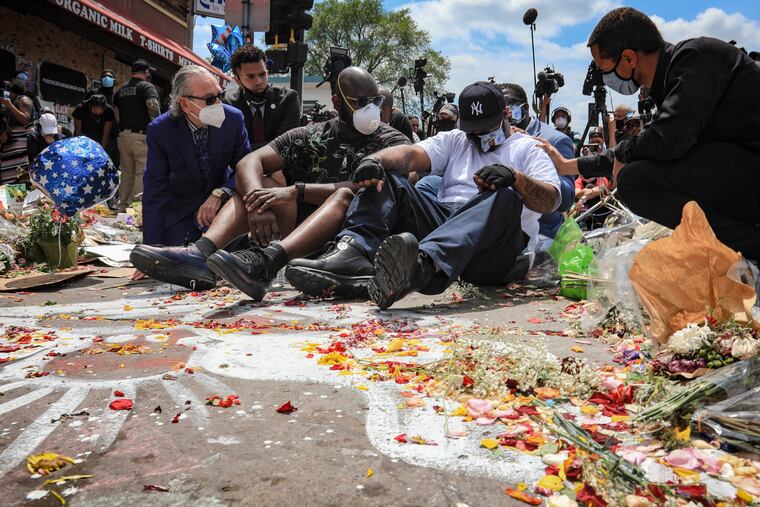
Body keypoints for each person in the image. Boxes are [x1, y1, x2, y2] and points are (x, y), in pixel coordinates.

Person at [130, 67, 409, 299]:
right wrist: (256, 200)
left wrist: (296, 191)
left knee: (337, 196)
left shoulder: (392, 141)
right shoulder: (311, 135)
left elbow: (383, 187)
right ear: (337, 102)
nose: (371, 109)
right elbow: (249, 162)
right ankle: (201, 254)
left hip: (351, 240)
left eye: (376, 102)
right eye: (361, 102)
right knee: (260, 185)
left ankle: (266, 262)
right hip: (299, 231)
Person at [285, 81, 561, 309]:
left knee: (504, 196)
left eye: (485, 127)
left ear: (505, 114)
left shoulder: (528, 148)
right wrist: (376, 161)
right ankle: (353, 253)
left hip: (492, 250)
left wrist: (516, 178)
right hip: (448, 224)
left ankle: (419, 268)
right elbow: (411, 155)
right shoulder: (455, 140)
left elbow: (550, 201)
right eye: (472, 128)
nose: (477, 134)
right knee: (389, 179)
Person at [541, 7, 760, 262]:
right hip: (741, 174)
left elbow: (667, 141)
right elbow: (648, 144)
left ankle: (750, 246)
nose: (604, 78)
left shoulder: (695, 58)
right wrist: (568, 166)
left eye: (604, 68)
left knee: (634, 180)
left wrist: (624, 152)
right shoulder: (670, 81)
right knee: (638, 168)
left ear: (629, 59)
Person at [128, 65, 250, 254]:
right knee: (178, 260)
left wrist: (221, 193)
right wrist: (151, 250)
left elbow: (245, 168)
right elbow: (155, 188)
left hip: (223, 208)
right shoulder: (161, 131)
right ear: (184, 104)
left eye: (220, 95)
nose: (218, 104)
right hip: (182, 212)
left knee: (222, 257)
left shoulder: (233, 120)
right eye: (210, 99)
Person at [502, 83, 575, 240]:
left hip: (542, 235)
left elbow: (567, 199)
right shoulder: (497, 137)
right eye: (501, 107)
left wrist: (539, 161)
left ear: (525, 108)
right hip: (503, 231)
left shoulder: (556, 139)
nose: (506, 111)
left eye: (510, 105)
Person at [223, 45, 300, 150]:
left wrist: (243, 149)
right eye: (250, 76)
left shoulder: (288, 98)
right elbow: (229, 145)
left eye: (262, 74)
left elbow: (286, 143)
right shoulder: (228, 104)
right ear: (237, 80)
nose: (258, 81)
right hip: (241, 165)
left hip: (281, 164)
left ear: (267, 73)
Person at [113, 59, 160, 211]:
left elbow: (117, 113)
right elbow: (153, 106)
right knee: (141, 173)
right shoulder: (147, 87)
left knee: (126, 172)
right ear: (146, 72)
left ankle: (122, 205)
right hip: (141, 137)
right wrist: (158, 125)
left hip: (124, 136)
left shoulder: (121, 90)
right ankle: (134, 210)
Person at [0, 79, 34, 183]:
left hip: (22, 153)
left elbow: (25, 119)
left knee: (22, 182)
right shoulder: (12, 104)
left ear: (13, 91)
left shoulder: (24, 99)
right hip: (10, 153)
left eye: (9, 91)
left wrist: (10, 106)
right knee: (9, 187)